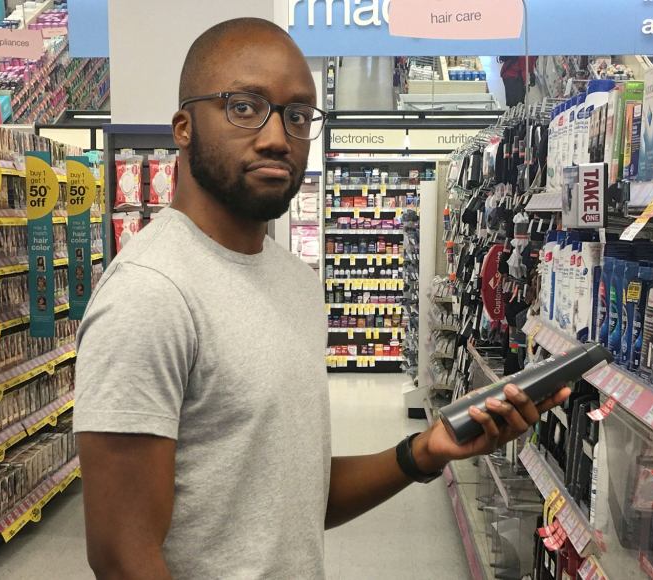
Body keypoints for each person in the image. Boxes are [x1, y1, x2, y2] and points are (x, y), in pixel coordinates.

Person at [74, 18, 569, 580]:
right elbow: (122, 558)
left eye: (298, 114)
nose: (276, 137)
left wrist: (424, 452)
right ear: (183, 127)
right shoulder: (150, 294)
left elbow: (290, 500)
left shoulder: (295, 282)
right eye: (243, 106)